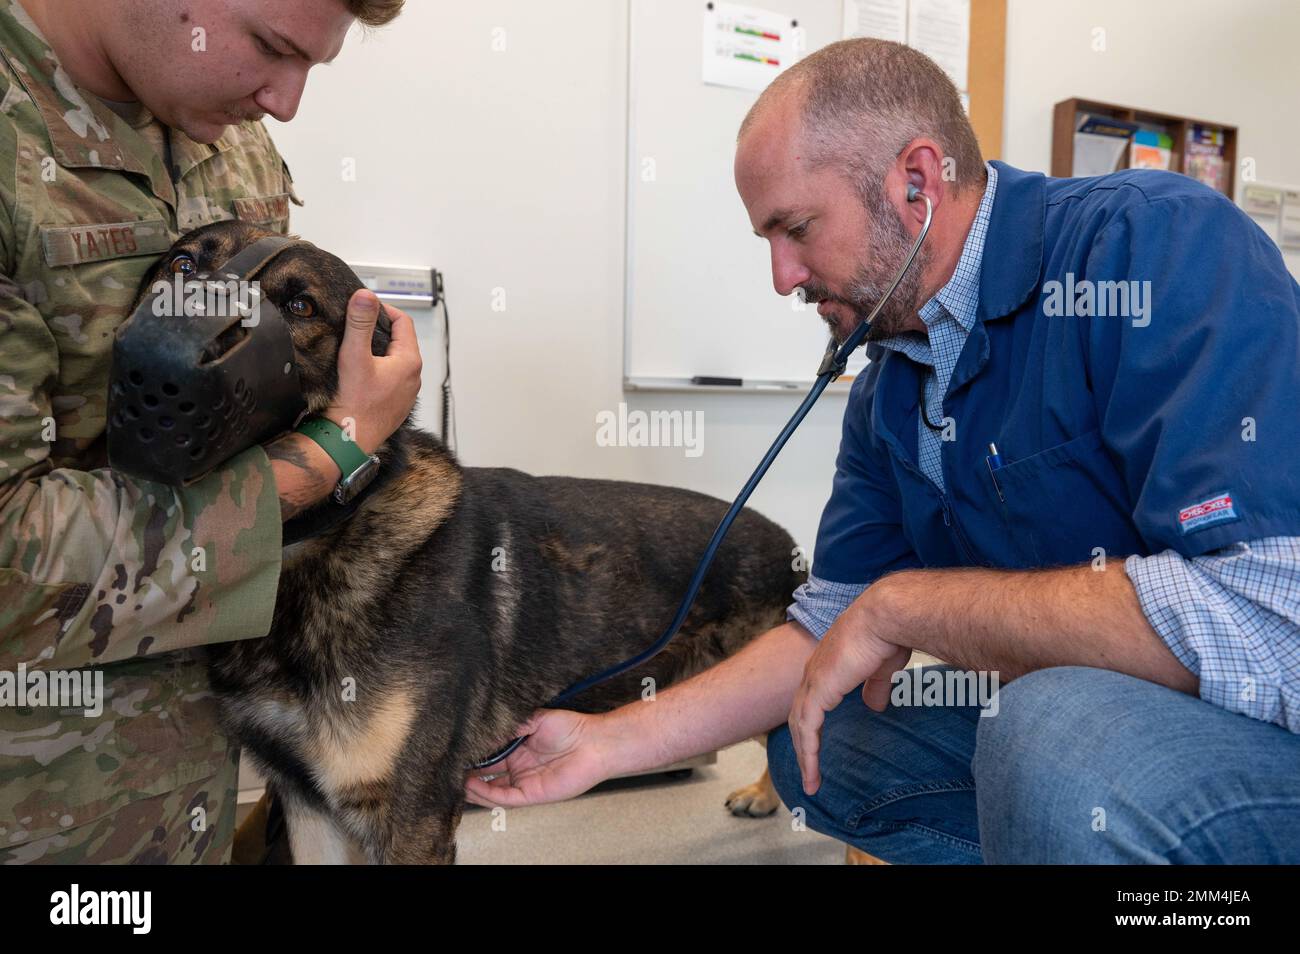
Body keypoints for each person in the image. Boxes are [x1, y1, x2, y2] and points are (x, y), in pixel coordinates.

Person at [465, 39, 1300, 864]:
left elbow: (1264, 618)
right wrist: (608, 743)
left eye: (795, 229)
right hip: (1103, 734)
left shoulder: (1155, 247)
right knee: (818, 741)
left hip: (1265, 733)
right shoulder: (892, 381)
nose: (782, 277)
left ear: (916, 181)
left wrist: (908, 605)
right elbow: (829, 623)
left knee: (1051, 733)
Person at [0, 0, 421, 863]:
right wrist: (328, 457)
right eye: (270, 48)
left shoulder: (226, 136)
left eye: (312, 64)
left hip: (194, 790)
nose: (286, 101)